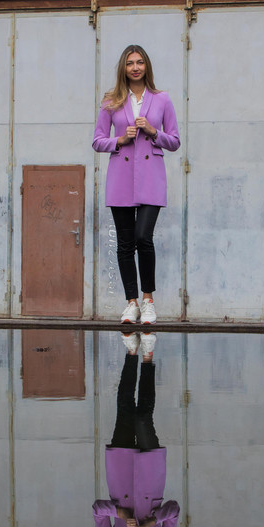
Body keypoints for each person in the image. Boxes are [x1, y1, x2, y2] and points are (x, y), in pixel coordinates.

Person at [92, 45, 180, 325]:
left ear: (146, 66)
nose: (135, 67)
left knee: (144, 237)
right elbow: (97, 141)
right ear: (124, 68)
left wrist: (154, 132)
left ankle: (148, 300)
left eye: (140, 62)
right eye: (130, 63)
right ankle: (131, 303)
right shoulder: (111, 101)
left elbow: (175, 141)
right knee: (125, 243)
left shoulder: (162, 99)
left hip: (152, 177)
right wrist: (119, 140)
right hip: (121, 177)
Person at [92, 336, 180, 527]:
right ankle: (148, 357)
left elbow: (97, 510)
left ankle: (131, 353)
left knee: (124, 409)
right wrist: (153, 522)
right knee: (143, 419)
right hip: (151, 478)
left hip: (120, 477)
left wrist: (118, 513)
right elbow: (174, 511)